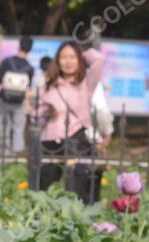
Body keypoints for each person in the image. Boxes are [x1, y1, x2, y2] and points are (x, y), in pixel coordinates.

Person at [34, 40, 105, 204]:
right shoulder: (48, 85)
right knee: (45, 187)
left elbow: (99, 60)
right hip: (50, 140)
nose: (68, 61)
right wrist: (45, 112)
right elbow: (34, 115)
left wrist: (80, 50)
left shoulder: (85, 83)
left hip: (76, 137)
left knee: (77, 185)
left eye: (72, 57)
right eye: (64, 57)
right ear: (57, 60)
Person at [0, 36, 34, 154]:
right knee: (18, 129)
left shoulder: (7, 61)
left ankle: (4, 154)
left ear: (19, 45)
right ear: (30, 49)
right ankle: (17, 155)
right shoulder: (29, 68)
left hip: (5, 99)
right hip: (19, 101)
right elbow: (28, 86)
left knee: (4, 128)